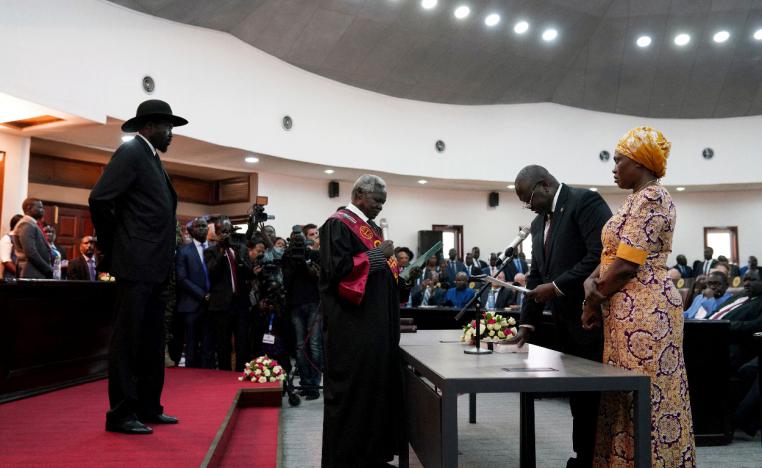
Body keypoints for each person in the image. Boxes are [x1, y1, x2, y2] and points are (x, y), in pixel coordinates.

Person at [582, 126, 696, 466]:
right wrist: (591, 281)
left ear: (641, 163)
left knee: (648, 394)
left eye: (619, 160)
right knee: (621, 394)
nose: (613, 167)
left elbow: (627, 266)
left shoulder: (653, 198)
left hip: (647, 310)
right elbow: (610, 256)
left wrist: (592, 298)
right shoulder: (632, 200)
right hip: (620, 308)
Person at [89, 99, 187, 435]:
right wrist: (116, 246)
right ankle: (120, 413)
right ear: (147, 127)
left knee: (150, 340)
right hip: (136, 263)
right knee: (128, 341)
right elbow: (100, 199)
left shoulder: (152, 159)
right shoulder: (132, 152)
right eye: (166, 126)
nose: (171, 133)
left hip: (156, 266)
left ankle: (147, 406)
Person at [507, 164, 612, 468]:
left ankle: (595, 457)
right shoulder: (540, 223)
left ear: (544, 185)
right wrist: (527, 323)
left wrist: (554, 288)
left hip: (593, 316)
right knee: (578, 398)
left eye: (528, 199)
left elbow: (599, 256)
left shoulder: (585, 202)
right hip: (565, 323)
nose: (528, 207)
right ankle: (583, 456)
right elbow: (537, 272)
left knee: (594, 398)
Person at [319, 174, 414, 467]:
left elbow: (380, 276)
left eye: (383, 202)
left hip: (375, 328)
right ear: (360, 194)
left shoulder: (369, 227)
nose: (380, 207)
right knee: (355, 394)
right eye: (377, 200)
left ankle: (372, 455)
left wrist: (401, 278)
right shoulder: (338, 224)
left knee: (376, 391)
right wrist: (377, 256)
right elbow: (339, 273)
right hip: (353, 330)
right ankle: (349, 459)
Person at [175, 217, 211, 368]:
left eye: (204, 226)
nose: (202, 229)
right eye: (198, 226)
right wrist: (203, 295)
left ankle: (208, 374)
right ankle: (191, 375)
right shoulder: (183, 251)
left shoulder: (214, 248)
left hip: (212, 305)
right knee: (191, 343)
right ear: (191, 230)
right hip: (191, 304)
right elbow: (182, 279)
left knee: (208, 344)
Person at [12, 198, 53, 279]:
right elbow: (30, 252)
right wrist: (48, 269)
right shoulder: (26, 224)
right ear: (29, 208)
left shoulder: (31, 224)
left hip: (35, 272)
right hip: (31, 273)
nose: (43, 210)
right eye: (40, 207)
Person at [1, 214, 23, 280]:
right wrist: (21, 274)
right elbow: (6, 261)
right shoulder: (7, 238)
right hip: (11, 278)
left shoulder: (21, 238)